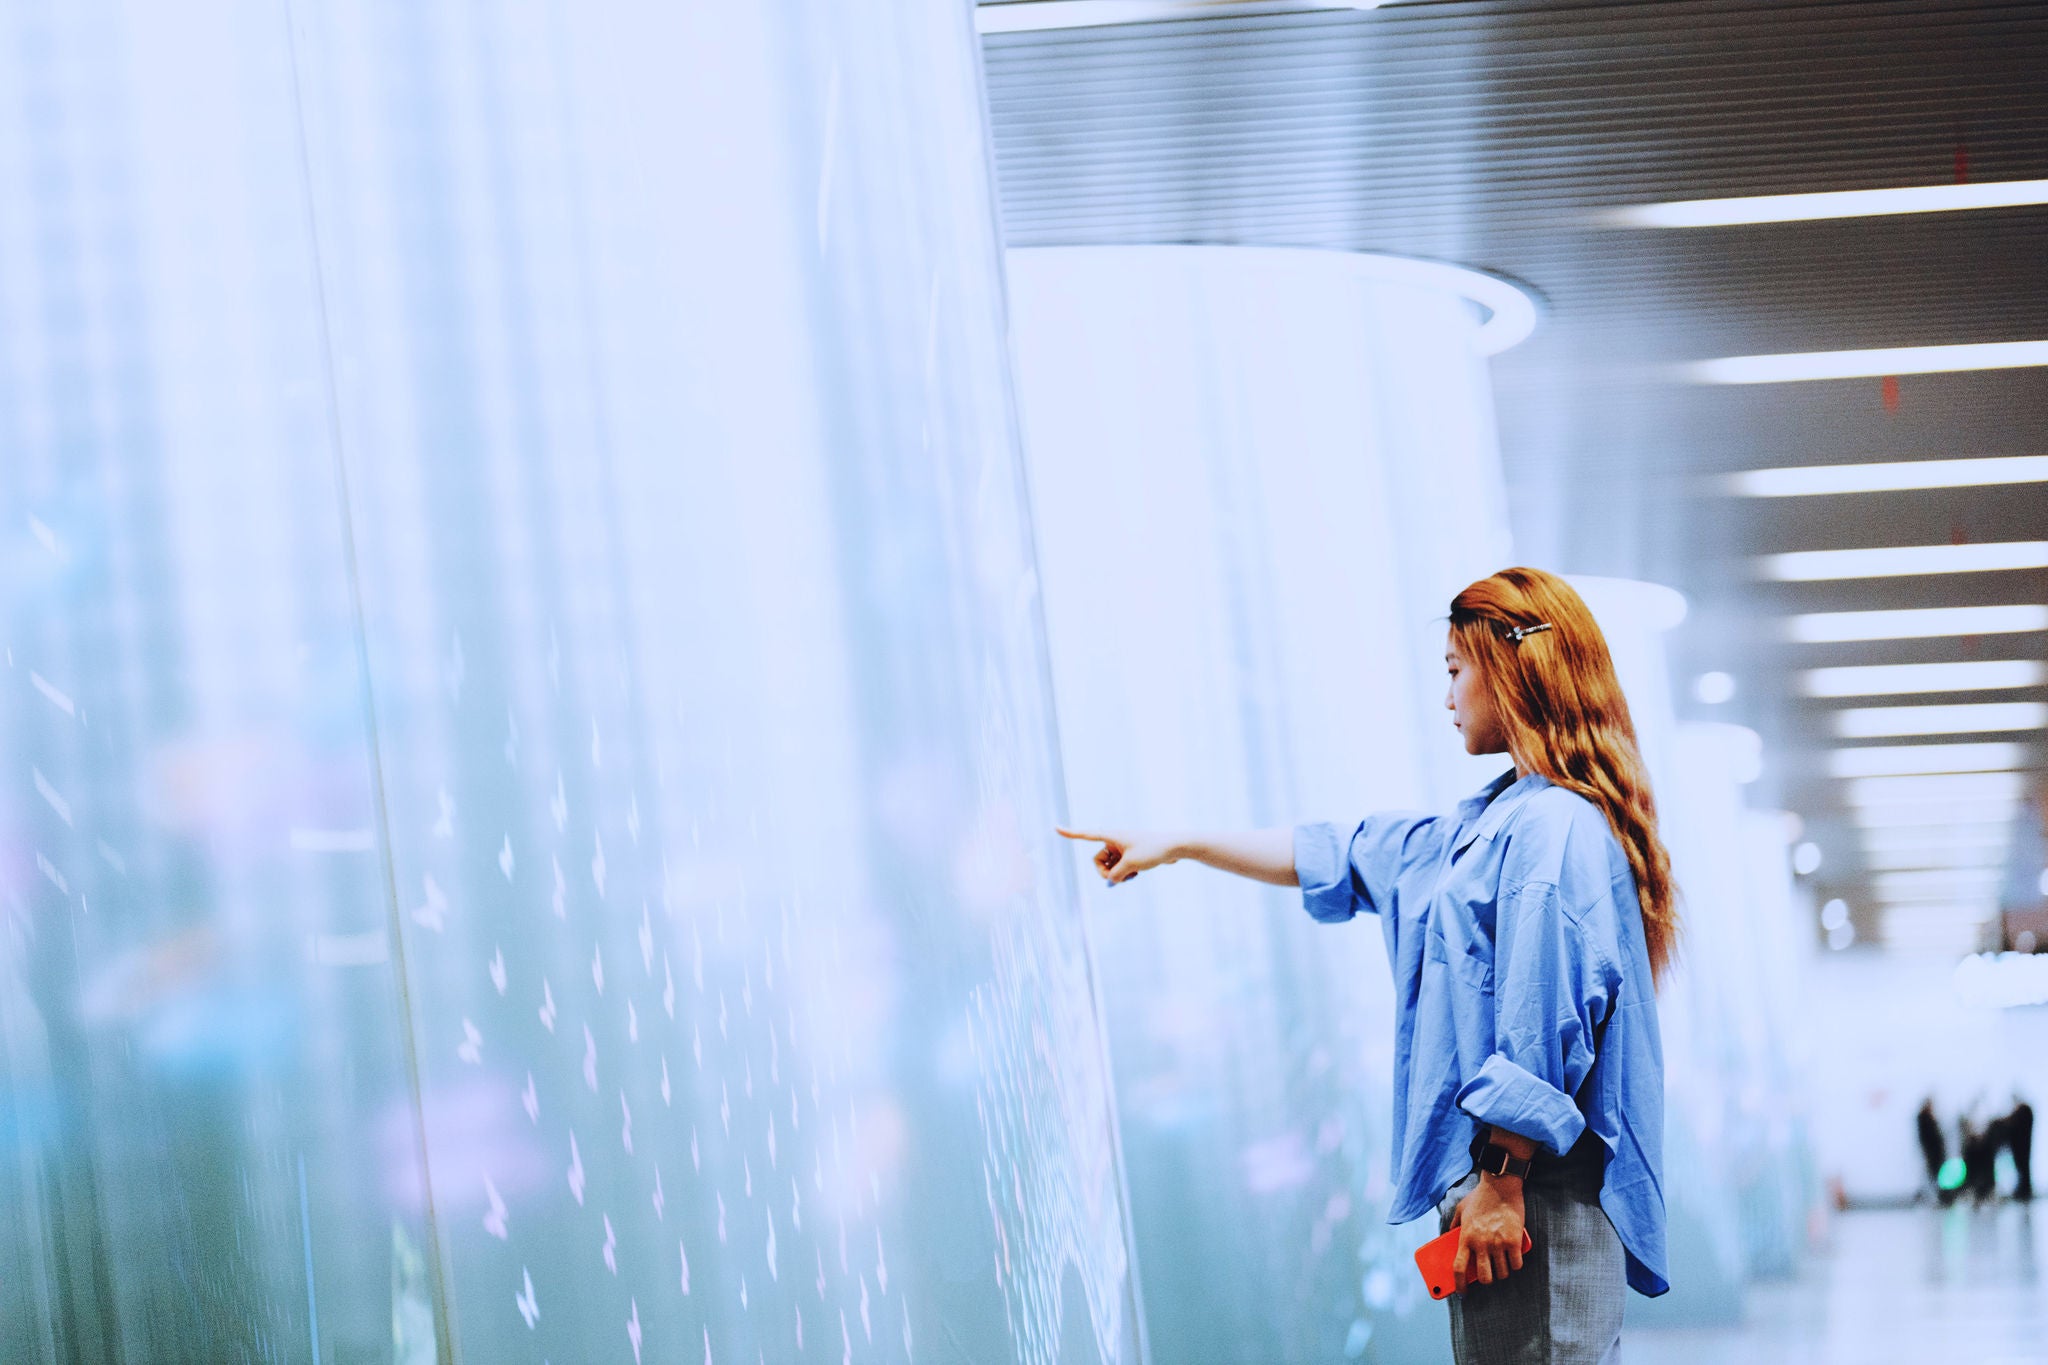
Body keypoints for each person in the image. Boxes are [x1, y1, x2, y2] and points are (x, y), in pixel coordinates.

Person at [1061, 567, 1672, 1365]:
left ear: (1510, 665)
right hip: (1507, 1189)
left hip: (1531, 1195)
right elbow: (1342, 852)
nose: (1446, 697)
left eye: (1455, 670)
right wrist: (1180, 844)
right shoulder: (1488, 825)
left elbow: (1544, 1014)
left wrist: (1502, 1175)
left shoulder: (1553, 827)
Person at [1915, 1099, 1947, 1204]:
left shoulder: (1928, 1119)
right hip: (1932, 1152)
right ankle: (1931, 1197)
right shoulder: (1925, 1119)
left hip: (1935, 1152)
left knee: (1934, 1174)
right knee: (1932, 1174)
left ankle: (1936, 1196)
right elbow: (1927, 1137)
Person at [2008, 1095, 2034, 1203]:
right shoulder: (2022, 1114)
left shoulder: (2024, 1113)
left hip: (2022, 1146)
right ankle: (2024, 1189)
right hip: (2021, 1147)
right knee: (2022, 1166)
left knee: (2023, 1166)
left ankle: (2024, 1189)